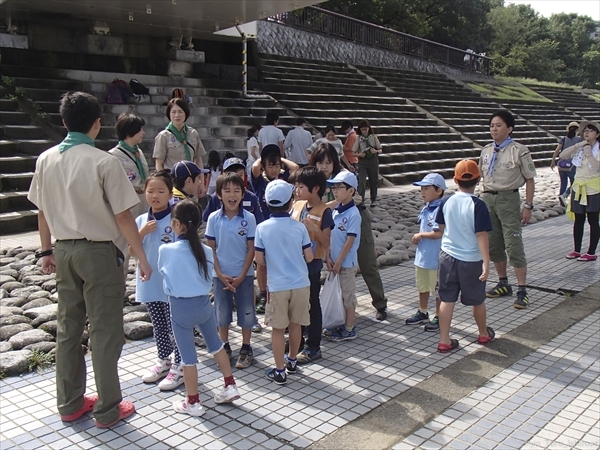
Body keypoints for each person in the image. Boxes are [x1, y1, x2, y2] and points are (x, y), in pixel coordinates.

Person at [27, 91, 152, 428]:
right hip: (98, 252)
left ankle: (69, 402)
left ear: (65, 121)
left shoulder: (46, 158)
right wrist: (141, 257)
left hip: (64, 250)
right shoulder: (103, 161)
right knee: (105, 330)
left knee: (68, 328)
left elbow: (41, 212)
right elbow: (124, 217)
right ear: (97, 123)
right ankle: (108, 408)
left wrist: (46, 251)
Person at [157, 200, 241, 416]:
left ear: (176, 224)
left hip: (180, 308)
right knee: (216, 346)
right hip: (204, 304)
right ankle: (230, 384)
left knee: (188, 358)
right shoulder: (205, 250)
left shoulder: (166, 249)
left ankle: (192, 402)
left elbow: (163, 274)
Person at [310, 145, 388, 320]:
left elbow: (356, 199)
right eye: (320, 162)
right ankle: (342, 310)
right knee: (335, 267)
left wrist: (322, 207)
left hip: (357, 221)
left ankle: (380, 304)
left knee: (367, 263)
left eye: (328, 162)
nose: (324, 166)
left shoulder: (344, 177)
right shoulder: (315, 183)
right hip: (332, 228)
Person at [255, 180, 313, 385]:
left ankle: (279, 371)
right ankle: (292, 361)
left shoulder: (261, 228)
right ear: (290, 203)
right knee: (296, 325)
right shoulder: (299, 228)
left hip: (277, 286)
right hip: (300, 283)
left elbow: (260, 261)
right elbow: (309, 256)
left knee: (278, 329)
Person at [479, 110, 536, 310]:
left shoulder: (519, 150)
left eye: (499, 125)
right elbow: (482, 177)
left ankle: (522, 289)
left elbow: (530, 179)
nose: (494, 129)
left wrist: (527, 206)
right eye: (492, 125)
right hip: (488, 199)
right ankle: (503, 282)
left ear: (510, 128)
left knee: (513, 244)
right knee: (493, 243)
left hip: (508, 199)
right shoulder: (486, 150)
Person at [436, 159, 494, 353]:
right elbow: (481, 235)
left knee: (447, 298)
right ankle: (483, 333)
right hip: (471, 259)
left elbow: (442, 228)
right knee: (477, 300)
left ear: (455, 179)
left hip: (447, 256)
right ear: (478, 179)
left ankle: (444, 340)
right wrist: (486, 261)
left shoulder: (445, 201)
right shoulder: (478, 205)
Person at [132, 171, 183, 391]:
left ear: (170, 193)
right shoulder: (140, 221)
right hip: (150, 281)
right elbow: (129, 249)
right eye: (150, 191)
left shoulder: (176, 219)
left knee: (178, 325)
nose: (155, 196)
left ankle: (181, 366)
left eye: (161, 191)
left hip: (173, 284)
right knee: (159, 324)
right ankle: (164, 360)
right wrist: (140, 234)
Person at [206, 173, 258, 368]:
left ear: (243, 194)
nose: (232, 195)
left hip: (243, 275)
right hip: (220, 276)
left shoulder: (250, 218)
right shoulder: (213, 218)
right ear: (219, 195)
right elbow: (211, 247)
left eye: (237, 190)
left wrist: (243, 274)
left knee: (247, 311)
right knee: (221, 311)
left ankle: (246, 347)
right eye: (226, 191)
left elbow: (251, 248)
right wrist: (219, 273)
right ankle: (225, 345)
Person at [291, 166, 333, 364]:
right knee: (296, 305)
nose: (297, 190)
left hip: (312, 264)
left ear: (315, 188)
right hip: (294, 262)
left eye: (301, 187)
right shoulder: (298, 205)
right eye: (296, 186)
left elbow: (326, 242)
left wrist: (314, 229)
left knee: (312, 305)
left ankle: (313, 346)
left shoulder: (324, 211)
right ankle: (297, 342)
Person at [406, 173, 445, 331]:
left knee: (437, 290)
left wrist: (421, 235)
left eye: (426, 188)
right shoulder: (426, 208)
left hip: (435, 258)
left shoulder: (440, 209)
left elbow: (439, 233)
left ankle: (439, 315)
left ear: (439, 191)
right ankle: (422, 311)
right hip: (422, 257)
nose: (422, 192)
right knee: (422, 286)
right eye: (421, 188)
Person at [326, 171, 362, 342]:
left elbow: (350, 241)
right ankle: (340, 323)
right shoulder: (336, 211)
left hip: (346, 263)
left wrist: (339, 261)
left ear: (351, 191)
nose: (336, 191)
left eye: (339, 187)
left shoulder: (353, 214)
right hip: (335, 262)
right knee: (338, 295)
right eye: (334, 187)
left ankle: (349, 328)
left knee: (348, 295)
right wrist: (328, 257)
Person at [559, 120, 600, 262]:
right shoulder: (581, 147)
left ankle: (591, 251)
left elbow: (597, 167)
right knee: (579, 219)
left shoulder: (598, 149)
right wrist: (578, 145)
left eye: (590, 130)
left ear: (597, 134)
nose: (586, 132)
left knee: (593, 220)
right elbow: (563, 156)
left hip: (594, 189)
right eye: (585, 131)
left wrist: (589, 154)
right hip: (578, 187)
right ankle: (577, 250)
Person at [153, 98, 206, 197]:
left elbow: (198, 159)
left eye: (180, 112)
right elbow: (159, 164)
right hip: (173, 183)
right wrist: (163, 185)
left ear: (186, 113)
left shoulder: (193, 133)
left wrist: (201, 183)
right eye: (173, 112)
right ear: (169, 114)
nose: (177, 115)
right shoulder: (164, 136)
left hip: (191, 182)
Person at [109, 112, 149, 219]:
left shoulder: (138, 152)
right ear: (131, 130)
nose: (143, 133)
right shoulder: (114, 155)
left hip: (144, 199)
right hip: (129, 202)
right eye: (140, 130)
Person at [551, 121, 582, 206]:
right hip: (572, 164)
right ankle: (567, 195)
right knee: (574, 182)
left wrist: (553, 161)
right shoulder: (579, 140)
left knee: (563, 182)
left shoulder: (563, 139)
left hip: (561, 164)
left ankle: (562, 197)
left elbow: (557, 151)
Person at [352, 120, 383, 207]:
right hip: (362, 161)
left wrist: (376, 151)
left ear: (369, 129)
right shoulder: (359, 138)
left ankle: (373, 199)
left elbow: (380, 149)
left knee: (374, 180)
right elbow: (353, 152)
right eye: (363, 130)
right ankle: (360, 200)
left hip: (373, 160)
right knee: (361, 181)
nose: (365, 131)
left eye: (366, 129)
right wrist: (359, 154)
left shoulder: (373, 137)